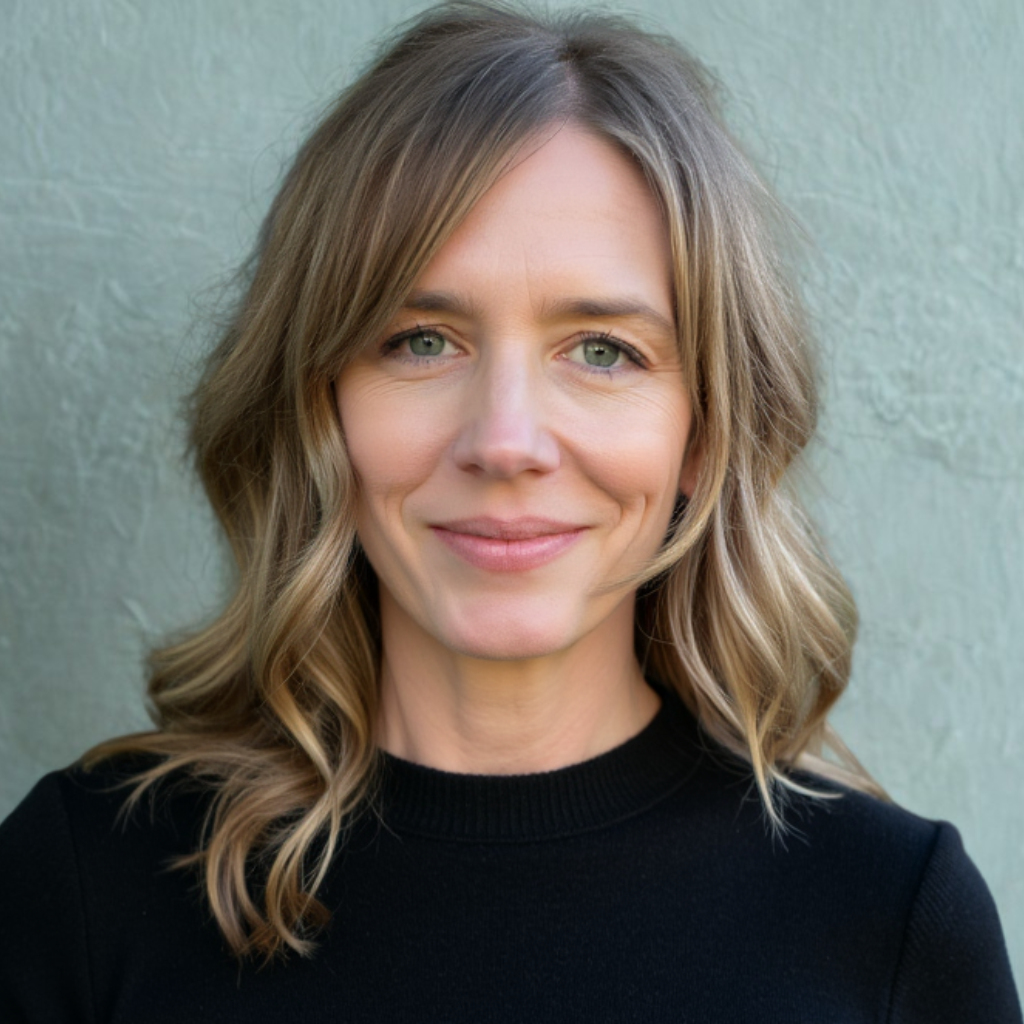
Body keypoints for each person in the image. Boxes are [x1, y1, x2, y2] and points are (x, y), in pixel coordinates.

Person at [0, 2, 1019, 1020]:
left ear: (702, 431)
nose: (505, 440)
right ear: (318, 403)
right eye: (421, 340)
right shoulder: (84, 888)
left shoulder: (887, 920)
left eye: (602, 351)